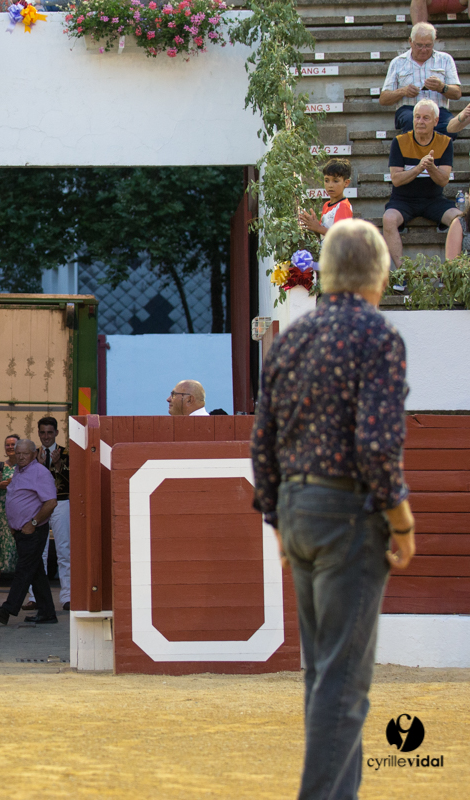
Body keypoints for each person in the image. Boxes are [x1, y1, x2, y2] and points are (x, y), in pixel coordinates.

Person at [252, 218, 416, 800]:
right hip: (347, 512)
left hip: (297, 509)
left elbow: (263, 440)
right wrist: (401, 521)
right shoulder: (378, 336)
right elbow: (376, 445)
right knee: (343, 682)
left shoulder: (293, 338)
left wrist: (278, 519)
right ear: (380, 275)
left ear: (322, 275)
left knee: (323, 672)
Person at [0, 439, 58, 626]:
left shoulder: (40, 472)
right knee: (36, 573)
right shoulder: (18, 471)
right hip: (20, 531)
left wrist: (33, 523)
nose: (21, 457)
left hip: (33, 530)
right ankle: (47, 613)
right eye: (18, 453)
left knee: (24, 570)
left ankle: (7, 610)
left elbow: (51, 502)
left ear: (34, 454)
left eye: (25, 453)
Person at [383, 99, 457, 267]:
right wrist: (418, 168)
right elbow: (396, 179)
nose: (420, 122)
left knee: (459, 219)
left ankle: (452, 269)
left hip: (434, 199)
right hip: (403, 200)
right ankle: (403, 272)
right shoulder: (399, 141)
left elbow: (443, 180)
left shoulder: (445, 142)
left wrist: (430, 167)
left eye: (425, 118)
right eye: (417, 117)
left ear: (436, 121)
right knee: (388, 219)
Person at [380, 22, 461, 138]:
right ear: (410, 41)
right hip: (409, 110)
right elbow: (383, 99)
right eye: (419, 45)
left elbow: (457, 93)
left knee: (451, 128)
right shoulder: (398, 62)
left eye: (428, 45)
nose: (423, 50)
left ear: (434, 42)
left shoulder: (445, 59)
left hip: (438, 110)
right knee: (411, 122)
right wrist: (403, 91)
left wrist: (441, 87)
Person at [37, 417, 72, 610]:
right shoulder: (33, 454)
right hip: (40, 505)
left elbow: (72, 481)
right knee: (38, 552)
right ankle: (36, 597)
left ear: (56, 433)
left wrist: (58, 466)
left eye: (50, 432)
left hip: (61, 502)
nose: (46, 437)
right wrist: (41, 466)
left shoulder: (67, 453)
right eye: (43, 432)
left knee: (64, 550)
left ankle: (68, 596)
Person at [0, 434, 19, 593]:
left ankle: (20, 582)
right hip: (1, 512)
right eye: (8, 444)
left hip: (19, 512)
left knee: (18, 546)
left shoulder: (24, 467)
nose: (10, 447)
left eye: (13, 444)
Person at [299, 158, 354, 239]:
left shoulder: (343, 206)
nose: (330, 185)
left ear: (346, 183)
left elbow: (341, 236)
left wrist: (318, 227)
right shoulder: (326, 205)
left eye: (335, 181)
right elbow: (323, 236)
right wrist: (313, 225)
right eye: (327, 180)